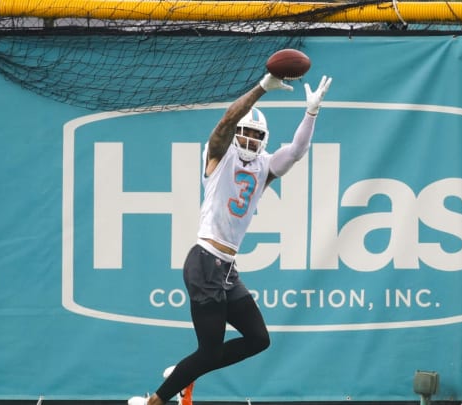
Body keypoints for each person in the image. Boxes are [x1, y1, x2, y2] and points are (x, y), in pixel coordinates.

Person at [128, 71, 333, 405]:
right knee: (208, 352)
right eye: (246, 133)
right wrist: (262, 88)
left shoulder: (264, 166)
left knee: (257, 339)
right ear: (237, 134)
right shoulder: (218, 156)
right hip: (205, 261)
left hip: (225, 268)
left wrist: (311, 113)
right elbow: (226, 122)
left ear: (263, 138)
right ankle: (155, 400)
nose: (250, 140)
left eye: (256, 135)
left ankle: (184, 372)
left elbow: (296, 151)